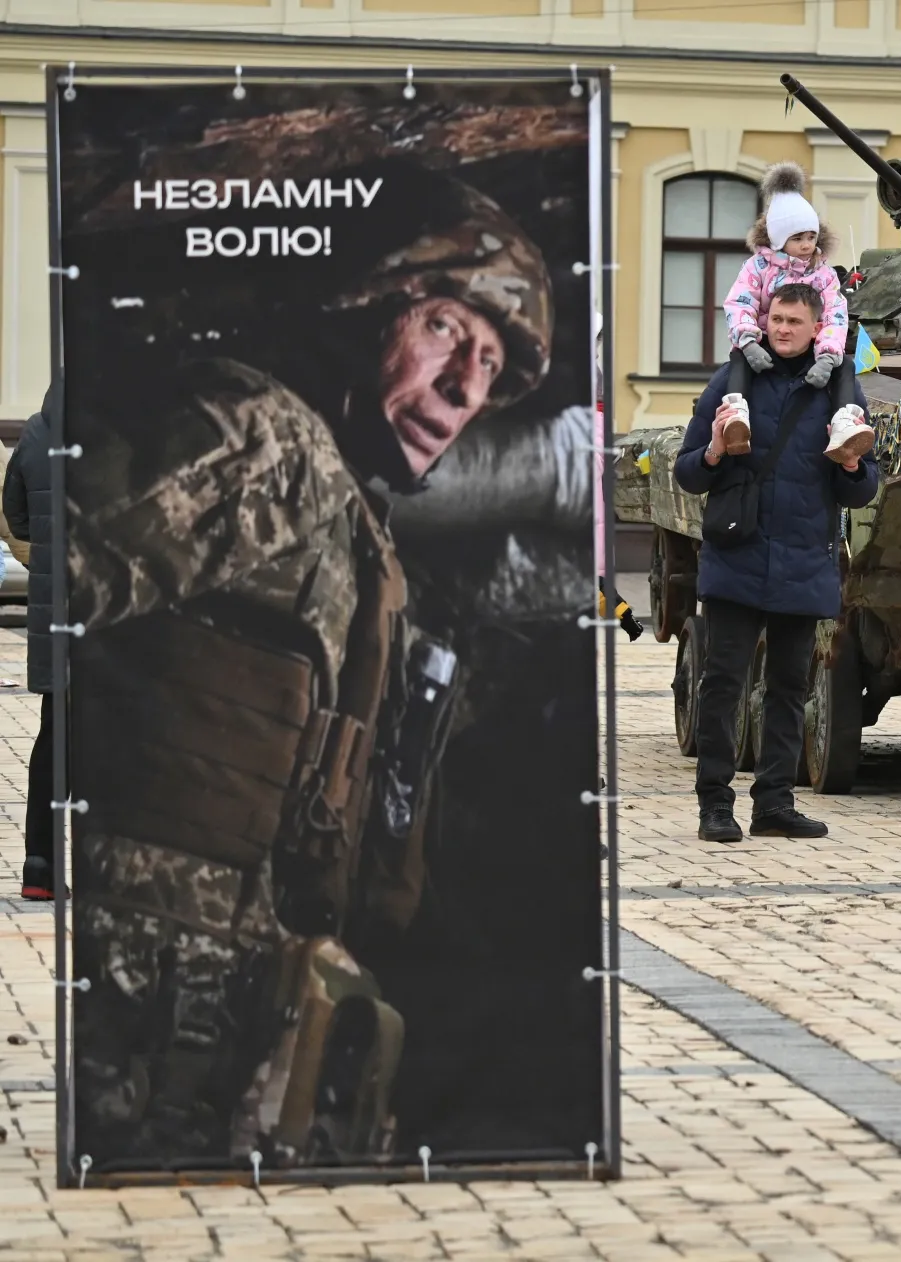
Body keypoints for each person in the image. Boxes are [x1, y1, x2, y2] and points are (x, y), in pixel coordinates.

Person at [63, 163, 553, 1163]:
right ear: (373, 304)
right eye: (446, 330)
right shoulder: (267, 439)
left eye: (490, 368)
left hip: (215, 1020)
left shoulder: (353, 520)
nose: (464, 387)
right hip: (133, 997)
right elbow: (62, 567)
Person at [674, 281, 880, 843]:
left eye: (795, 321)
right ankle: (715, 805)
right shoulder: (732, 382)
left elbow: (864, 491)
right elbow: (687, 472)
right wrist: (715, 450)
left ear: (818, 328)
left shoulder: (839, 390)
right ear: (764, 321)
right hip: (737, 557)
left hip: (803, 559)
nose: (784, 329)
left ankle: (774, 804)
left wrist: (853, 467)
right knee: (722, 685)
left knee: (790, 687)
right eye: (776, 319)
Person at [720, 162, 874, 465]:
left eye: (811, 237)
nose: (806, 245)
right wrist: (749, 342)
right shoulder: (758, 268)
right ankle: (735, 414)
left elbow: (835, 314)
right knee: (737, 358)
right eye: (797, 238)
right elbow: (740, 303)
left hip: (812, 349)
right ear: (778, 239)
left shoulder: (823, 274)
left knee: (845, 366)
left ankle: (843, 422)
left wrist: (828, 355)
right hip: (765, 343)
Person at [3, 379, 56, 901]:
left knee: (52, 737)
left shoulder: (36, 431)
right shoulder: (117, 431)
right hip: (110, 611)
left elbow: (14, 513)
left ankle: (38, 868)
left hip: (49, 604)